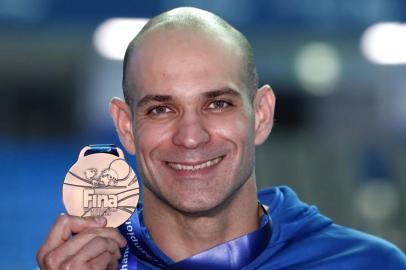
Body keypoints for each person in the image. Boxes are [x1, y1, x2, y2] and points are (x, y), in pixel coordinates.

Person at [37, 7, 406, 270]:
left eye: (217, 104)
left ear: (261, 115)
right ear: (125, 126)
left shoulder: (367, 264)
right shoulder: (88, 265)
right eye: (161, 109)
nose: (191, 137)